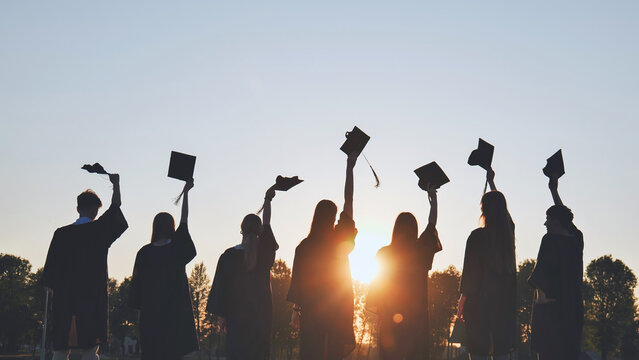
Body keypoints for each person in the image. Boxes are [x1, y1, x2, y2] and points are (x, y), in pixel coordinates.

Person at [42, 174, 128, 360]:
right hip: (91, 300)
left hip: (64, 301)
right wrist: (116, 184)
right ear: (96, 211)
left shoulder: (61, 234)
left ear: (77, 208)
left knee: (60, 349)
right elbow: (116, 208)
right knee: (90, 351)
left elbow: (49, 275)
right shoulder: (99, 231)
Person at [287, 153, 358, 360]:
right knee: (333, 353)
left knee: (312, 352)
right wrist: (349, 168)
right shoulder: (339, 241)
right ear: (333, 218)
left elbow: (299, 281)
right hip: (338, 308)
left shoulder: (305, 247)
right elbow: (349, 200)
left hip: (312, 311)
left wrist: (296, 310)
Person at [368, 183, 442, 360]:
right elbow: (431, 225)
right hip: (417, 323)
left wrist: (379, 312)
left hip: (390, 322)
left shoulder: (384, 254)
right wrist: (434, 201)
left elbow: (379, 287)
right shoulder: (420, 251)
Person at [205, 185, 279, 360]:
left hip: (236, 319)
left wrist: (222, 316)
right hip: (261, 320)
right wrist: (267, 201)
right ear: (260, 231)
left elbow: (220, 288)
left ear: (241, 230)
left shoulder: (228, 256)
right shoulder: (264, 254)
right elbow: (267, 223)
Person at [129, 180, 198, 360]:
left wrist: (139, 315)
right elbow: (185, 220)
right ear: (171, 228)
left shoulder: (144, 253)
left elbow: (136, 287)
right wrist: (186, 193)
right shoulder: (176, 249)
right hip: (174, 317)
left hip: (151, 317)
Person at [457, 170, 516, 360]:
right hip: (504, 305)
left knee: (478, 352)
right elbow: (506, 219)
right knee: (502, 352)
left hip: (478, 304)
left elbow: (470, 273)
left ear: (484, 211)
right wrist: (492, 182)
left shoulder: (477, 237)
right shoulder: (507, 237)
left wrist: (462, 300)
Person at [528, 175, 584, 360]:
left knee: (547, 353)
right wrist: (554, 191)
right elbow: (567, 220)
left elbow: (541, 275)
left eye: (548, 219)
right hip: (572, 308)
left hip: (551, 310)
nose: (545, 223)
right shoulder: (576, 240)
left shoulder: (550, 240)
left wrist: (540, 302)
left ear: (556, 221)